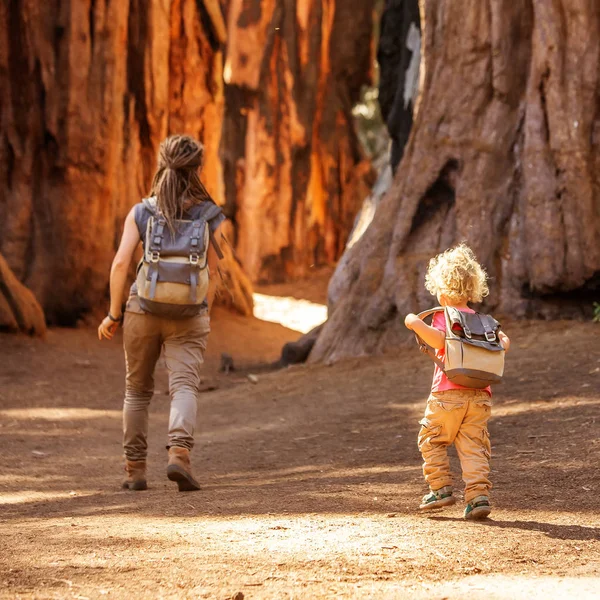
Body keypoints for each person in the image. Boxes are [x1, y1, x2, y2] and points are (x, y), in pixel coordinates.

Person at [98, 135, 225, 492]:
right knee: (183, 384)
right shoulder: (211, 215)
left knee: (137, 391)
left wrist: (113, 314)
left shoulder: (141, 212)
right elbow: (214, 274)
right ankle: (179, 455)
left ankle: (135, 469)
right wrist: (204, 312)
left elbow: (121, 262)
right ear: (198, 170)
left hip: (142, 308)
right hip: (189, 314)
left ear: (161, 166)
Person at [404, 244, 510, 520]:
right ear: (473, 288)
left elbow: (439, 341)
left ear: (441, 289)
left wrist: (415, 323)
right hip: (480, 395)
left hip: (448, 393)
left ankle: (440, 489)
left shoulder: (446, 317)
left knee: (432, 439)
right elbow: (503, 344)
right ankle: (478, 496)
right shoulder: (484, 322)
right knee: (473, 446)